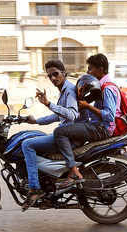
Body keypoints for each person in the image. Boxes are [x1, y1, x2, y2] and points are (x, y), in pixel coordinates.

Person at [53, 53, 120, 188]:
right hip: (97, 126)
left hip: (102, 129)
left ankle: (73, 172)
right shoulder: (99, 86)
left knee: (60, 132)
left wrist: (87, 106)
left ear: (100, 69)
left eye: (90, 69)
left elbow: (109, 116)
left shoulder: (107, 88)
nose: (88, 72)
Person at [21, 60, 78, 208]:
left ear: (64, 73)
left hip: (68, 138)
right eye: (50, 76)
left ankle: (35, 188)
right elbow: (59, 116)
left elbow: (71, 115)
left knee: (27, 144)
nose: (53, 78)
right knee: (34, 137)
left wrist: (48, 104)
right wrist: (36, 121)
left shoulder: (69, 90)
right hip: (66, 135)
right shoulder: (64, 90)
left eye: (56, 74)